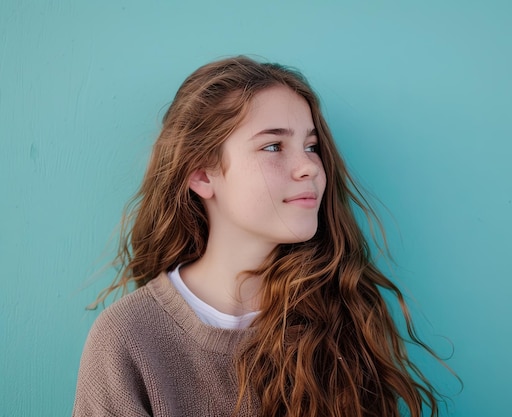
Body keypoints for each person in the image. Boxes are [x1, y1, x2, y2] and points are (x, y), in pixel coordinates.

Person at [73, 56, 444, 417]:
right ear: (202, 174)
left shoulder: (343, 313)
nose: (310, 168)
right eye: (273, 146)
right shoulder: (128, 338)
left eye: (311, 146)